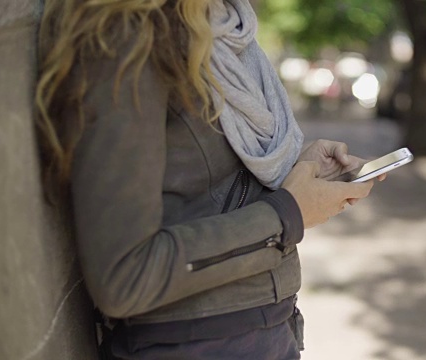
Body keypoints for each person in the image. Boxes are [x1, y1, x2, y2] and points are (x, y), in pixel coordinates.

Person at [35, 0, 381, 358]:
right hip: (194, 344)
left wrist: (301, 175)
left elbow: (212, 188)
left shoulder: (223, 29)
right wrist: (285, 216)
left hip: (269, 329)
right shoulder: (128, 39)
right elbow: (124, 277)